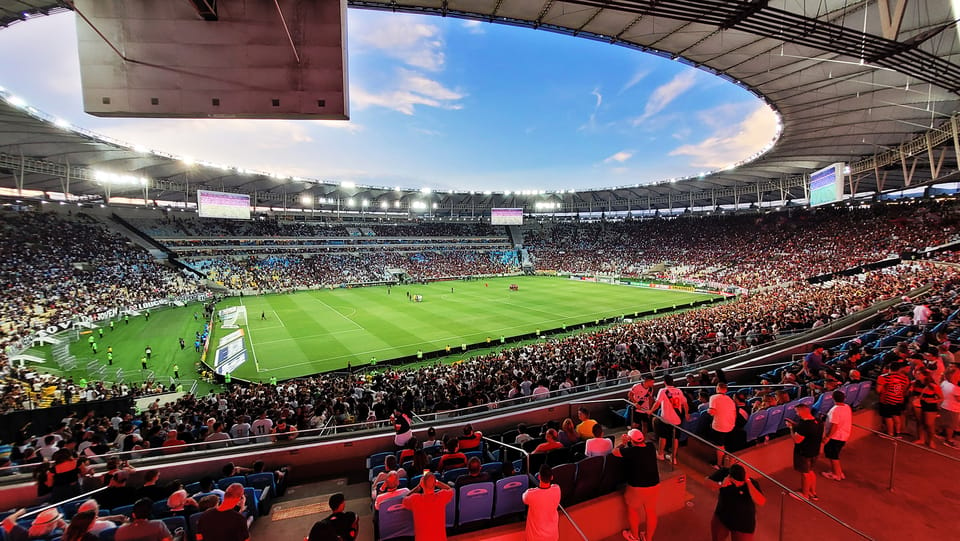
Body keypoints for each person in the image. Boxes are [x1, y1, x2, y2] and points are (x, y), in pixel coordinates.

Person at [614, 429, 660, 541]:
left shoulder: (630, 451)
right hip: (654, 484)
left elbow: (614, 452)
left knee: (633, 510)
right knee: (651, 512)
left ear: (631, 440)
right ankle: (648, 538)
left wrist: (623, 443)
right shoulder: (651, 446)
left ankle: (634, 536)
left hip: (637, 487)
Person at [711, 464, 766, 541]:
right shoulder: (723, 473)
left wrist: (748, 483)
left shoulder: (751, 482)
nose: (739, 484)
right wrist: (720, 484)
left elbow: (761, 502)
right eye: (736, 482)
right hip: (722, 517)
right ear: (730, 477)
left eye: (741, 482)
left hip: (743, 525)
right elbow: (706, 482)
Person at [401, 472, 454, 540]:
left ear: (422, 484)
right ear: (435, 483)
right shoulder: (442, 496)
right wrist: (437, 482)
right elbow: (450, 489)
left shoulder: (415, 499)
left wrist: (418, 487)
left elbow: (404, 499)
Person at [786, 403, 822, 501]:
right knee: (810, 471)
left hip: (804, 453)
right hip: (814, 451)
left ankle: (804, 495)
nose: (797, 414)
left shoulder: (804, 425)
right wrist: (796, 425)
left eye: (797, 412)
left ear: (802, 411)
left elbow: (797, 440)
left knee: (805, 474)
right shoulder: (817, 421)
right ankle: (812, 492)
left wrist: (791, 428)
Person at [652, 374, 689, 464]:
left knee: (663, 436)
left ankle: (660, 454)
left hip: (666, 419)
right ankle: (673, 457)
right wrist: (687, 414)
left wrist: (651, 410)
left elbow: (657, 403)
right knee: (675, 438)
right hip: (677, 419)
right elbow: (685, 404)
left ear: (664, 382)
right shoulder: (679, 391)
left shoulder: (663, 391)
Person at [522, 465, 561, 541]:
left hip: (535, 537)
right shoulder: (557, 489)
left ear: (539, 477)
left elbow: (524, 499)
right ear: (552, 477)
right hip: (552, 536)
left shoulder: (530, 494)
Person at [822, 390, 852, 481]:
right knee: (834, 455)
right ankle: (837, 471)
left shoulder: (835, 410)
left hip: (836, 437)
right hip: (844, 435)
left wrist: (827, 437)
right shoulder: (847, 407)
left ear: (833, 398)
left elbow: (834, 425)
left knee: (833, 456)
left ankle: (836, 474)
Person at [877, 361, 910, 436]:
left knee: (888, 417)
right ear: (899, 369)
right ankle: (898, 433)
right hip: (898, 400)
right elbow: (904, 390)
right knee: (896, 416)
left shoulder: (883, 377)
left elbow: (878, 390)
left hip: (886, 400)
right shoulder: (904, 379)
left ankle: (890, 434)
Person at [708, 383, 737, 469]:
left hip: (720, 426)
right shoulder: (730, 399)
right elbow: (734, 414)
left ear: (717, 388)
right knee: (723, 444)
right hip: (731, 426)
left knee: (719, 445)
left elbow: (712, 412)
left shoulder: (713, 397)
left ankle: (719, 464)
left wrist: (708, 411)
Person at [940, 367, 960, 448]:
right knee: (951, 426)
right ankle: (948, 440)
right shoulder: (955, 388)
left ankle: (943, 434)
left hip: (944, 406)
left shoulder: (944, 383)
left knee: (946, 423)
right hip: (952, 408)